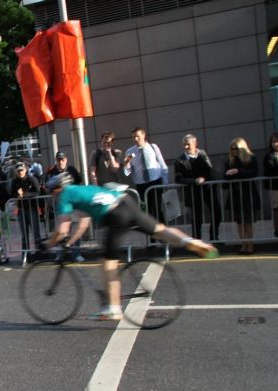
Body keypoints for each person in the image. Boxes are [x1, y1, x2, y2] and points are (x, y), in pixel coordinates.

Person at [43, 173, 217, 320]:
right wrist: (71, 241)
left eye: (52, 192)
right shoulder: (81, 190)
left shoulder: (64, 196)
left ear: (57, 189)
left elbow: (61, 229)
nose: (52, 196)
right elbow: (83, 223)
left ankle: (113, 308)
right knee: (160, 230)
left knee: (108, 262)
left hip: (114, 215)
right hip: (127, 203)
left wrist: (48, 245)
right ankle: (192, 242)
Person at [174, 134, 222, 242]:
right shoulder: (180, 160)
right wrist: (194, 181)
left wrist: (209, 181)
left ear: (195, 144)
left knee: (217, 212)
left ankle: (214, 237)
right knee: (197, 218)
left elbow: (211, 171)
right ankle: (197, 241)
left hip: (207, 189)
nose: (186, 147)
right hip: (192, 191)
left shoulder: (202, 155)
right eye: (184, 145)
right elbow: (178, 178)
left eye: (188, 144)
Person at [123, 127, 168, 223]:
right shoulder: (130, 152)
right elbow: (127, 172)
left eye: (138, 136)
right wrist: (127, 164)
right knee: (147, 211)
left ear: (143, 135)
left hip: (155, 182)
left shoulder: (153, 147)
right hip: (142, 184)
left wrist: (165, 182)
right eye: (134, 137)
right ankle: (153, 236)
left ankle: (162, 231)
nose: (136, 139)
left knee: (156, 209)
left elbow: (162, 163)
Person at [224, 137, 260, 254]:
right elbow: (225, 176)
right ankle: (243, 244)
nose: (234, 151)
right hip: (235, 194)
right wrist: (229, 173)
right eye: (232, 149)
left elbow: (253, 173)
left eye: (236, 148)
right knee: (239, 222)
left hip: (248, 193)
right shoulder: (230, 161)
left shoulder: (251, 158)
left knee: (248, 221)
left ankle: (250, 244)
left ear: (242, 148)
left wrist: (238, 171)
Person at [10, 161, 41, 262]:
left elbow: (38, 191)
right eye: (18, 171)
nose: (20, 172)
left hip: (31, 208)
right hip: (21, 210)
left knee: (36, 232)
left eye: (22, 170)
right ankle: (26, 254)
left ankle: (39, 253)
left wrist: (25, 195)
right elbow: (11, 194)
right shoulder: (14, 181)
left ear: (26, 169)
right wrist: (17, 195)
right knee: (24, 234)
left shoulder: (31, 179)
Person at [263, 132, 278, 242]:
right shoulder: (269, 155)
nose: (275, 144)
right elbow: (271, 170)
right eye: (273, 141)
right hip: (276, 187)